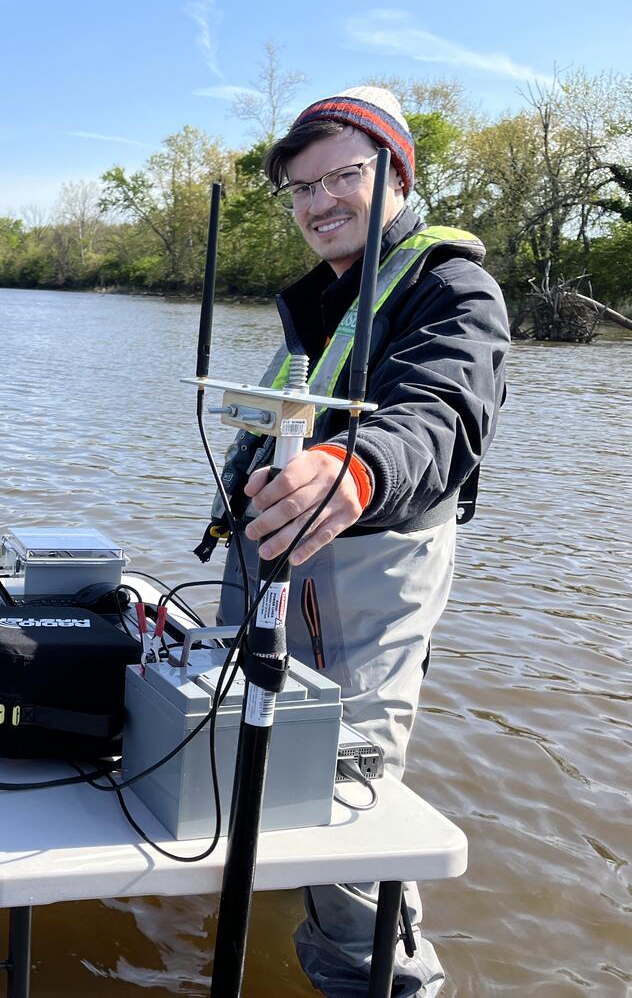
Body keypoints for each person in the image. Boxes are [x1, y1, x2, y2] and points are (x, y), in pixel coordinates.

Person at [202, 86, 509, 997]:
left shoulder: (455, 286)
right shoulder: (330, 296)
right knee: (233, 749)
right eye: (302, 187)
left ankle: (387, 982)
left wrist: (356, 472)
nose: (319, 201)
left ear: (399, 174)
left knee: (344, 804)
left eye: (345, 174)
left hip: (366, 585)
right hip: (270, 566)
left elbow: (442, 416)